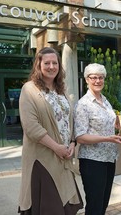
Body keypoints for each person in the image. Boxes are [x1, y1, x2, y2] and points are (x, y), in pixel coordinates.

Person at [18, 47, 83, 215]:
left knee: (66, 208)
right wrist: (57, 147)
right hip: (42, 159)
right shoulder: (29, 89)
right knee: (50, 208)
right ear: (38, 65)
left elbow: (69, 122)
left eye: (55, 63)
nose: (51, 66)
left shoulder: (61, 90)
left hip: (63, 158)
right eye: (47, 63)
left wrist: (72, 143)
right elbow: (31, 127)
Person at [74, 63, 121, 215]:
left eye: (101, 77)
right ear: (86, 80)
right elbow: (80, 137)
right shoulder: (83, 104)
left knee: (103, 203)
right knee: (95, 205)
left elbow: (109, 123)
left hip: (109, 158)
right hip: (92, 161)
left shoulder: (105, 100)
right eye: (93, 77)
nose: (97, 81)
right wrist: (107, 139)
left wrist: (120, 123)